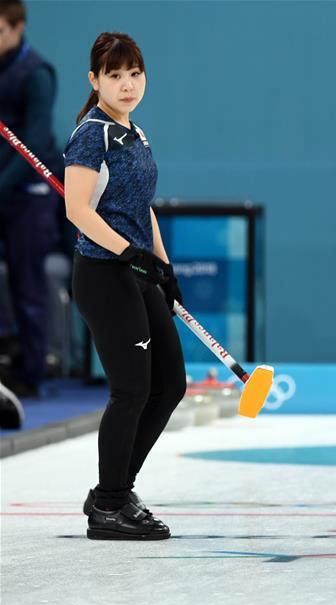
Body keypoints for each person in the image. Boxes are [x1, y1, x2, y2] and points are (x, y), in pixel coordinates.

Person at [64, 32, 186, 541]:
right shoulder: (92, 134)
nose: (127, 84)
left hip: (135, 272)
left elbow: (141, 209)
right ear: (95, 81)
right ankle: (110, 505)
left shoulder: (135, 132)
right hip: (103, 274)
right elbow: (77, 210)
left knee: (170, 385)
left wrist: (163, 265)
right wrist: (128, 253)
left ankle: (114, 489)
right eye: (114, 75)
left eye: (134, 73)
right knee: (132, 389)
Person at [0, 0, 60, 397]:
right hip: (3, 187)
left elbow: (34, 143)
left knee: (27, 281)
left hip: (28, 194)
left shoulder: (36, 73)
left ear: (17, 27)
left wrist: (1, 185)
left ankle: (33, 371)